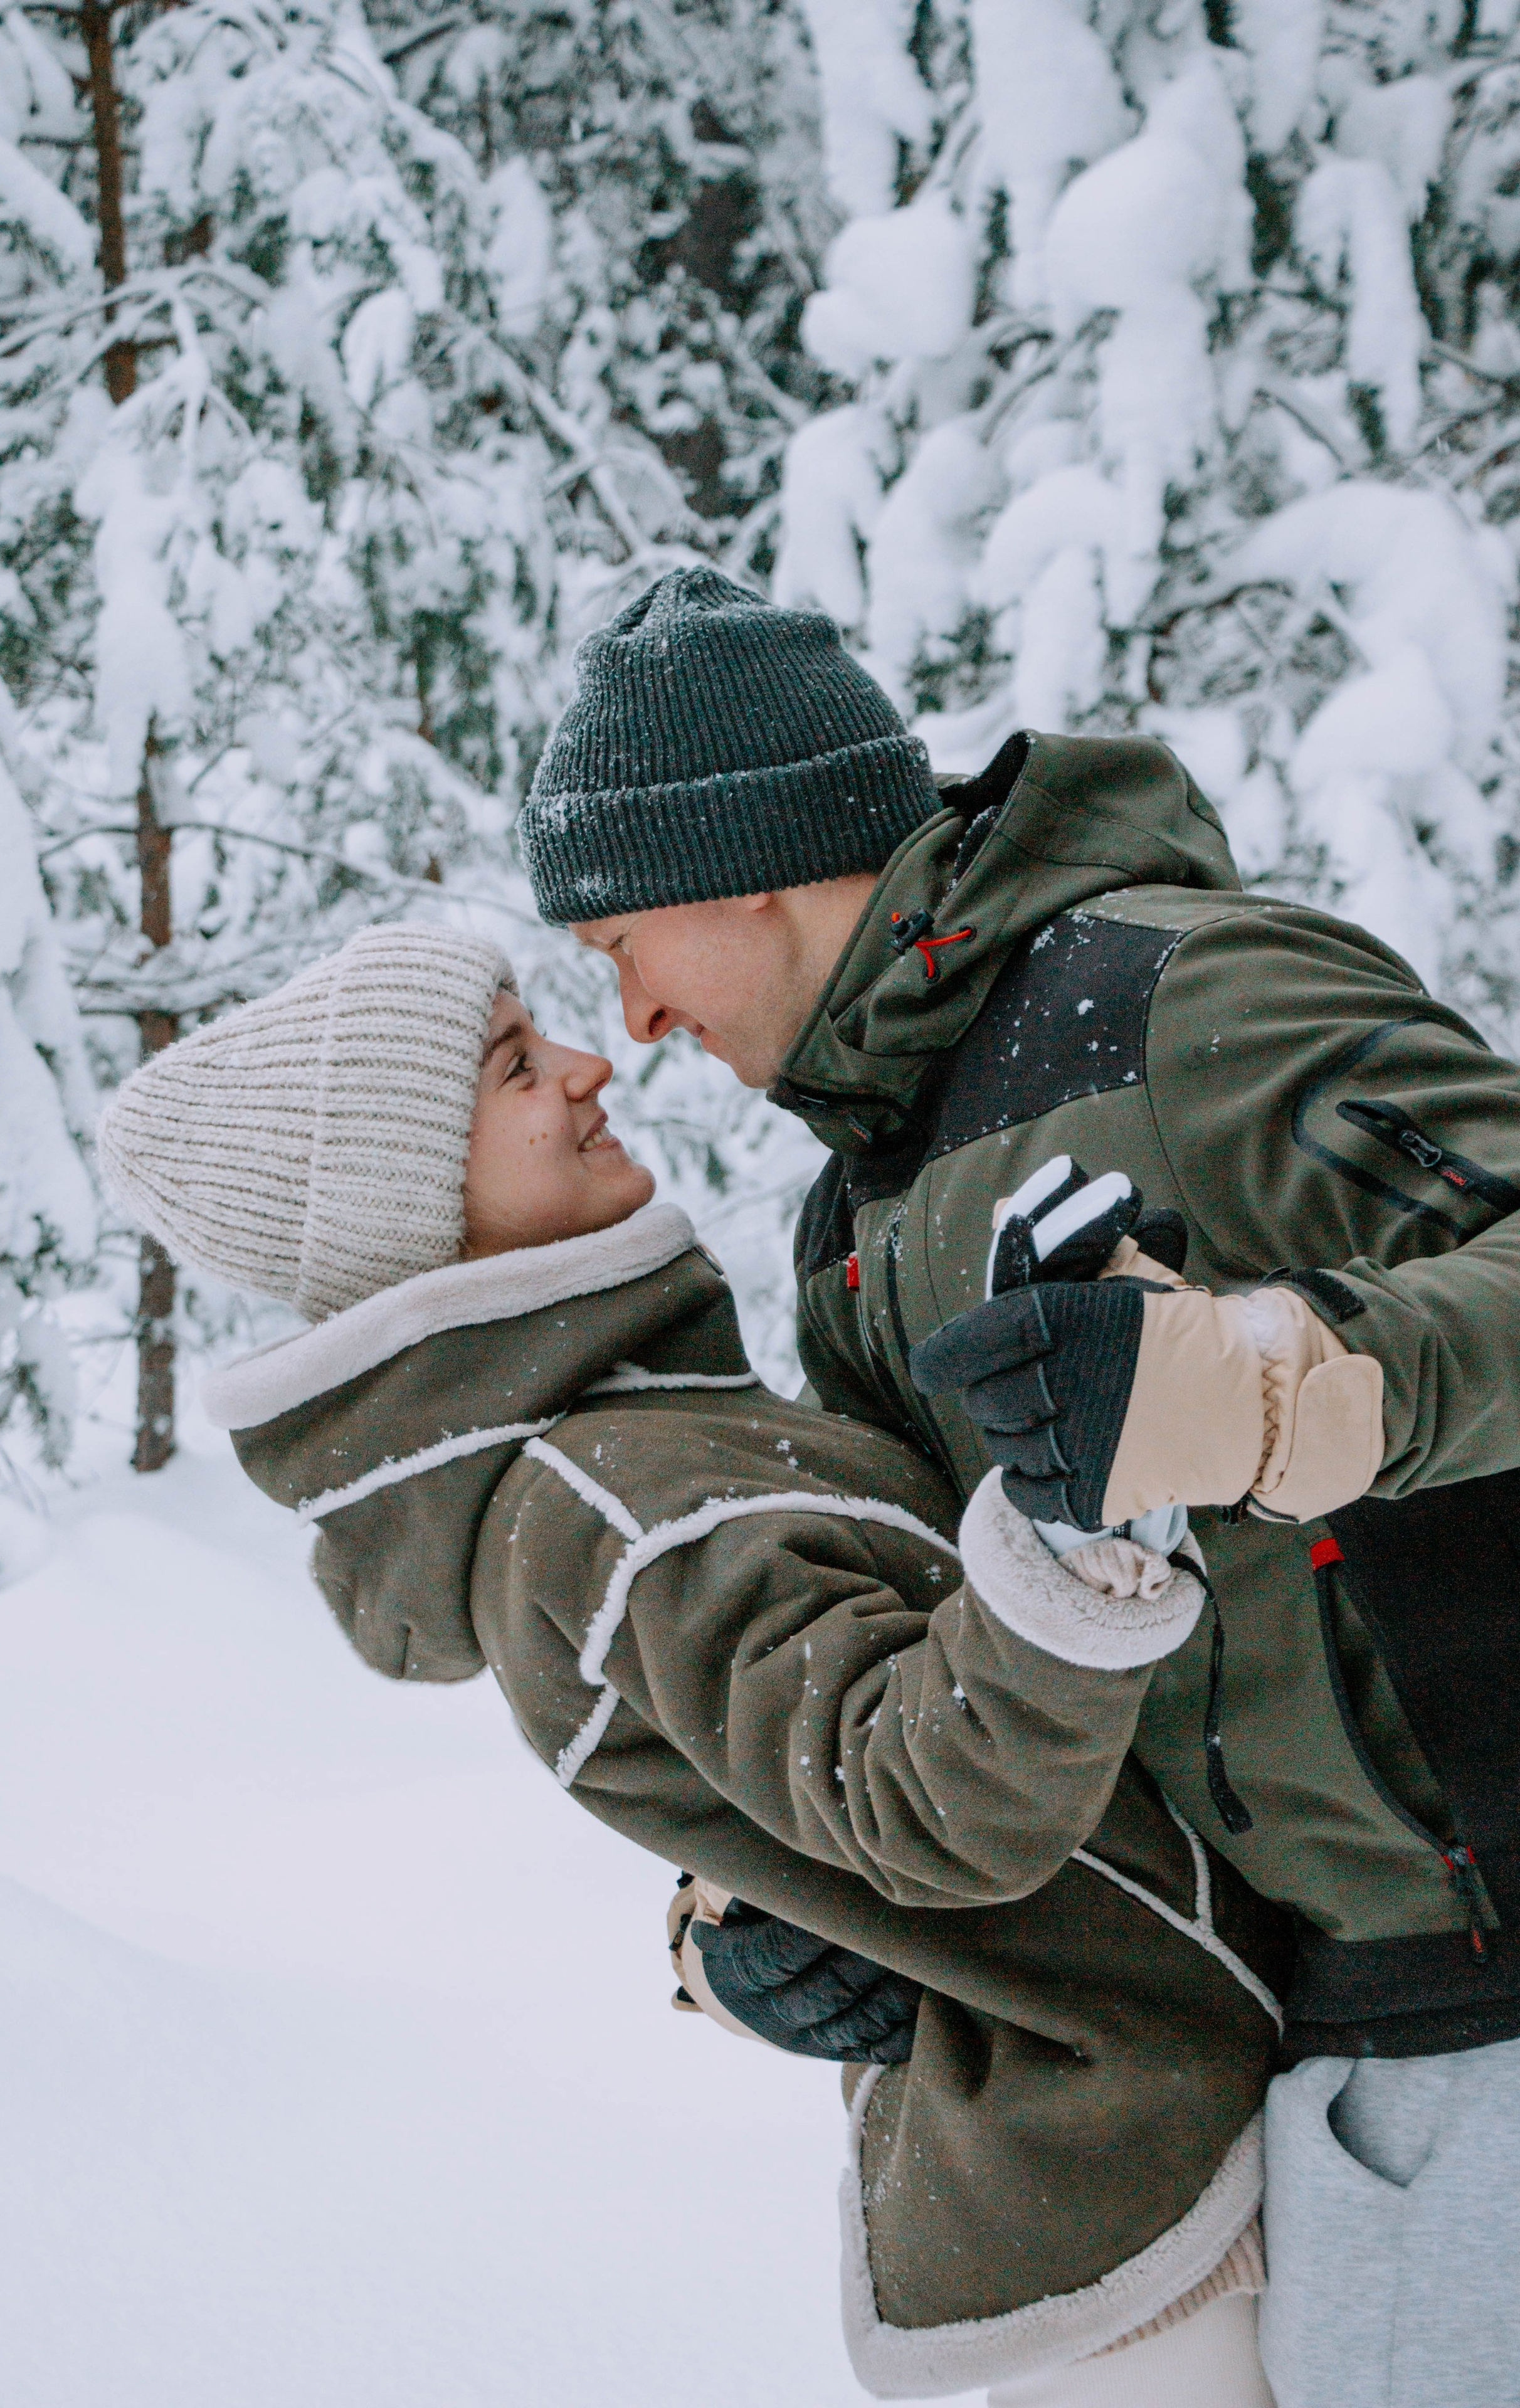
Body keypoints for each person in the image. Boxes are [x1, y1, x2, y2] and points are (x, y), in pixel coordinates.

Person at [523, 565, 1520, 2408]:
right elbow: (938, 1661)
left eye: (618, 945)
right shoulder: (860, 1220)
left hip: (1479, 1972)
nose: (633, 1022)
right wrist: (774, 1918)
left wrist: (1261, 1389)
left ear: (748, 861)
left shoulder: (1186, 1000)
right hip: (1298, 2031)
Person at [97, 921, 1285, 2405]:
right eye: (517, 1068)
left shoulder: (654, 1434)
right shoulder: (597, 1504)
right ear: (410, 1208)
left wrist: (733, 1915)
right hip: (1131, 2206)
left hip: (1164, 2122)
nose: (593, 1066)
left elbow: (795, 1762)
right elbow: (925, 1802)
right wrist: (1068, 1524)